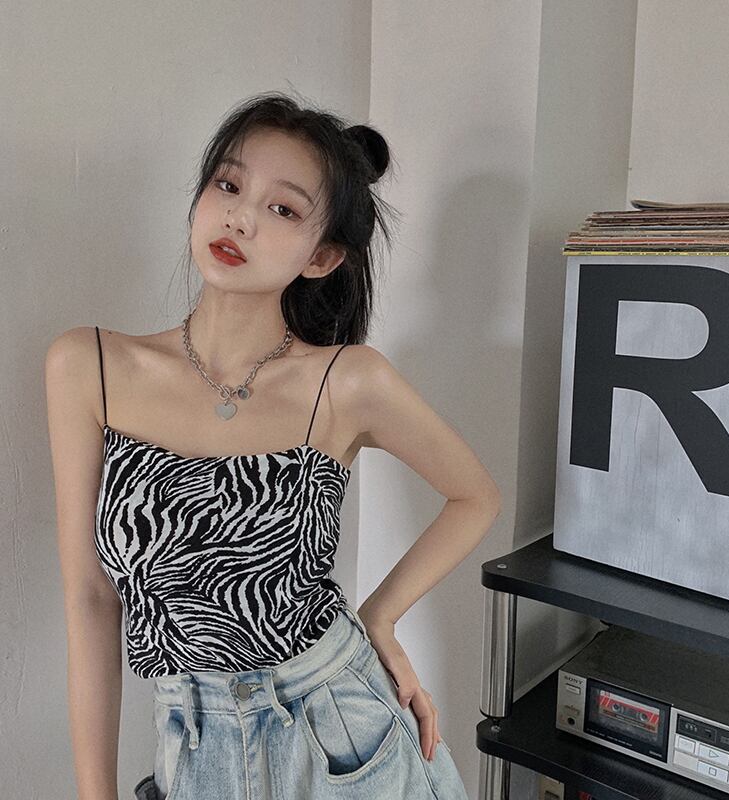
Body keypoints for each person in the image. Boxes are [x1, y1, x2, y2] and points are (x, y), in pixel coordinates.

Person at [45, 90, 501, 800]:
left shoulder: (348, 381)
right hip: (194, 742)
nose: (241, 217)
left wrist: (380, 617)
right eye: (228, 185)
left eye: (282, 209)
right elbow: (90, 597)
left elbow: (475, 496)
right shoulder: (88, 366)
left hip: (340, 731)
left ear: (321, 257)